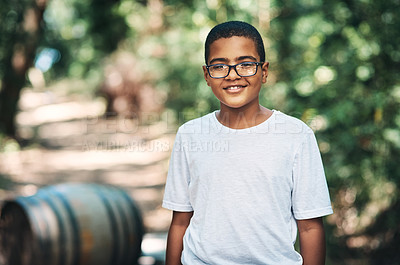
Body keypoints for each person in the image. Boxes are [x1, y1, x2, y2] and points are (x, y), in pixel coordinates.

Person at [162, 21, 333, 265]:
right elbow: (180, 221)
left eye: (245, 64)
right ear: (207, 75)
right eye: (219, 66)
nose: (233, 75)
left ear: (264, 71)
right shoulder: (190, 135)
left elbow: (310, 227)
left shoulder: (296, 135)